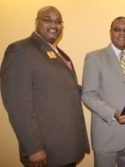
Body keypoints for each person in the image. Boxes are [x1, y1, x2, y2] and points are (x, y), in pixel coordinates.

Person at [0, 6, 90, 167]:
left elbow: (65, 87)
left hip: (66, 146)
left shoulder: (58, 52)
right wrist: (33, 148)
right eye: (47, 19)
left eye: (58, 21)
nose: (54, 25)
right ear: (36, 22)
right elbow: (18, 105)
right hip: (47, 150)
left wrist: (96, 91)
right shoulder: (20, 50)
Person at [81, 16, 125, 167]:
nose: (122, 33)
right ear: (110, 32)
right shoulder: (94, 57)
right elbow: (88, 95)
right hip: (106, 133)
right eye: (117, 29)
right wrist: (113, 113)